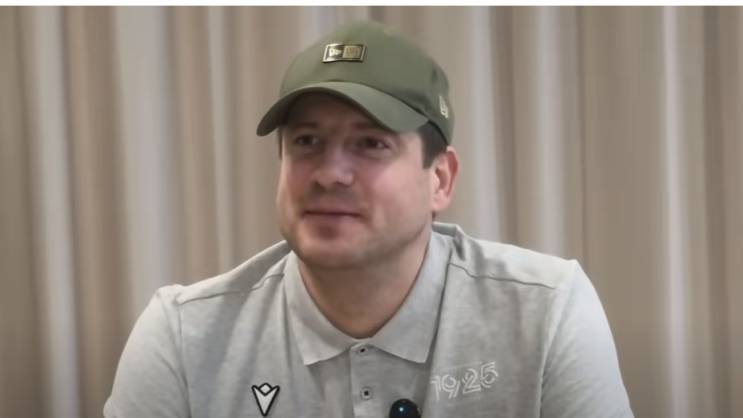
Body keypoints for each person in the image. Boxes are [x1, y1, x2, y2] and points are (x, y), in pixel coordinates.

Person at [104, 21, 633, 418]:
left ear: (440, 179)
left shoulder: (544, 312)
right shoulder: (185, 337)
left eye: (371, 143)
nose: (329, 173)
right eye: (306, 141)